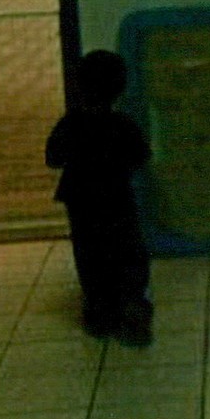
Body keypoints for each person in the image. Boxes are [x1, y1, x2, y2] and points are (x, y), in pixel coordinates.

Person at [45, 49, 154, 348]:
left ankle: (99, 313)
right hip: (117, 197)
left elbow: (53, 157)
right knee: (127, 252)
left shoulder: (70, 124)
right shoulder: (123, 125)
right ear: (120, 87)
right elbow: (140, 156)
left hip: (80, 199)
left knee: (89, 255)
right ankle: (131, 307)